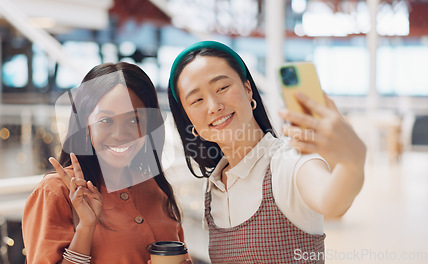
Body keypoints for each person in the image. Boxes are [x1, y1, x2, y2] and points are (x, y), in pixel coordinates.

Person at [167, 41, 366, 263]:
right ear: (189, 119)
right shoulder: (212, 189)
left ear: (248, 89)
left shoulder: (288, 162)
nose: (213, 106)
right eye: (197, 100)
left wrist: (353, 162)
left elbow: (332, 203)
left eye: (222, 88)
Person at [22, 62, 191, 264]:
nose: (121, 135)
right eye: (106, 120)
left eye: (134, 120)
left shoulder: (155, 189)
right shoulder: (56, 192)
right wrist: (85, 228)